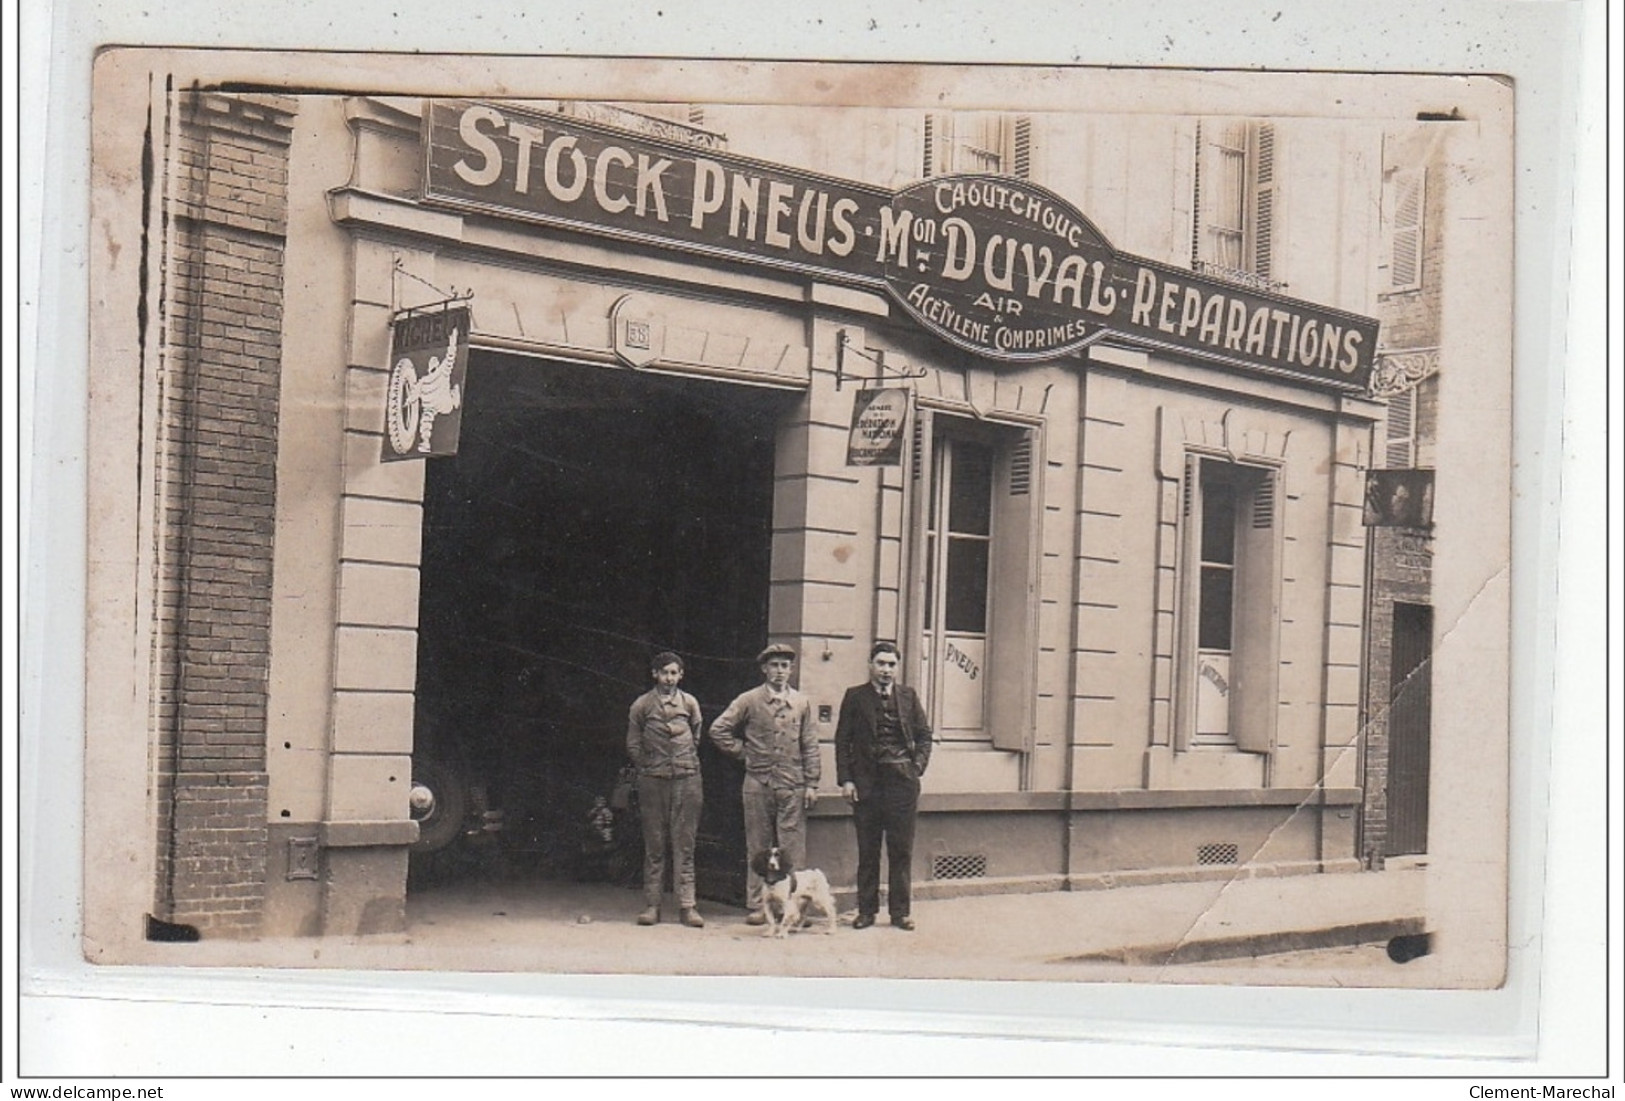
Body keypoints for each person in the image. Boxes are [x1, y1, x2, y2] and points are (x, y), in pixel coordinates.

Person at [708, 643, 821, 926]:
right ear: (764, 669)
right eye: (774, 665)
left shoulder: (802, 702)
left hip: (792, 783)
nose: (780, 671)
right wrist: (744, 753)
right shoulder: (749, 700)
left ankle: (794, 909)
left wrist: (812, 783)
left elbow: (810, 744)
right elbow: (718, 729)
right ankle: (759, 906)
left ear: (791, 670)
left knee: (792, 847)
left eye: (785, 665)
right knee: (758, 846)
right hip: (757, 782)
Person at [835, 641, 932, 931]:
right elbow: (842, 741)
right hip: (867, 785)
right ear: (870, 665)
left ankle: (900, 913)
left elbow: (924, 736)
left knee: (901, 850)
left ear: (897, 667)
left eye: (891, 664)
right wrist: (847, 780)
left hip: (902, 784)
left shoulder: (908, 696)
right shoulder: (854, 697)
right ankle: (866, 911)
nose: (886, 670)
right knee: (868, 850)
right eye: (881, 663)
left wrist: (916, 769)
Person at [625, 651, 706, 928]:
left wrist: (682, 762)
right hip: (653, 781)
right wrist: (648, 765)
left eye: (674, 673)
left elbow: (696, 735)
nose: (669, 678)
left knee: (685, 844)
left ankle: (687, 906)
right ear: (655, 674)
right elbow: (633, 742)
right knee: (655, 844)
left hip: (687, 779)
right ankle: (653, 905)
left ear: (680, 675)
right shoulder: (642, 705)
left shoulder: (690, 703)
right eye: (664, 673)